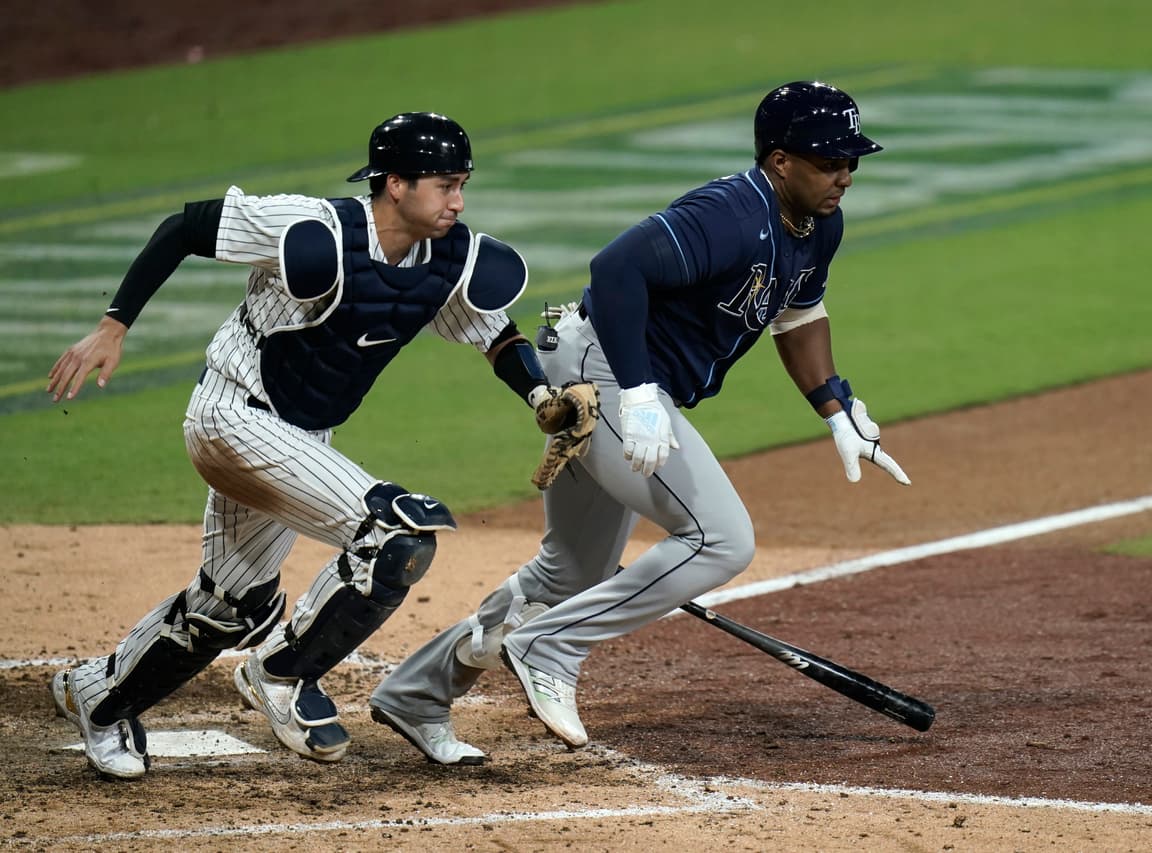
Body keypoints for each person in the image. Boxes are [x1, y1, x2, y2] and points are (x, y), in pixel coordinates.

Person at [368, 81, 912, 762]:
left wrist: (834, 404)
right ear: (779, 162)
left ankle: (416, 691)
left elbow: (799, 314)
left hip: (616, 375)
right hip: (605, 373)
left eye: (851, 161)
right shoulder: (730, 214)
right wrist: (642, 391)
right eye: (829, 161)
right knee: (722, 537)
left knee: (571, 570)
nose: (845, 174)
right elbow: (616, 269)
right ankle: (550, 645)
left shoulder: (818, 225)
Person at [46, 111, 568, 778]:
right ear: (397, 184)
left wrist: (541, 397)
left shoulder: (448, 259)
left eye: (463, 184)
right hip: (231, 416)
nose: (458, 201)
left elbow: (495, 333)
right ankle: (285, 673)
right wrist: (113, 325)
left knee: (228, 607)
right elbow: (184, 227)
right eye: (445, 185)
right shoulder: (310, 226)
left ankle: (101, 695)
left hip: (298, 436)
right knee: (395, 533)